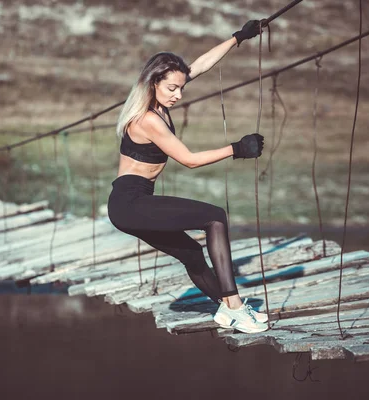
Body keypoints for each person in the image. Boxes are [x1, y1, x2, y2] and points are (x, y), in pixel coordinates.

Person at [107, 20, 268, 333]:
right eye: (172, 88)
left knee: (193, 254)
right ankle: (235, 306)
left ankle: (226, 309)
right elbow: (189, 160)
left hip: (131, 204)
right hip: (130, 202)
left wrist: (238, 38)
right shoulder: (147, 119)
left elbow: (201, 65)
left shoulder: (161, 97)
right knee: (215, 217)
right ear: (153, 83)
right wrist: (237, 148)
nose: (178, 94)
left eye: (180, 87)